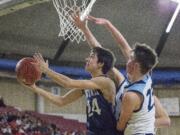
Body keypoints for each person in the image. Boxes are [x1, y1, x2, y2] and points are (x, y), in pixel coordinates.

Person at [72, 14, 170, 134]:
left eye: (130, 59)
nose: (127, 60)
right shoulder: (143, 78)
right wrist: (102, 25)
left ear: (135, 66)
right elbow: (117, 47)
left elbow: (120, 127)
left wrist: (143, 123)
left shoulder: (131, 92)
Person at [19, 47, 119, 135]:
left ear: (101, 63)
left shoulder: (106, 82)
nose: (87, 59)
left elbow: (68, 83)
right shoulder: (89, 85)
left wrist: (46, 71)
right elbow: (61, 101)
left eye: (92, 57)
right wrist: (35, 88)